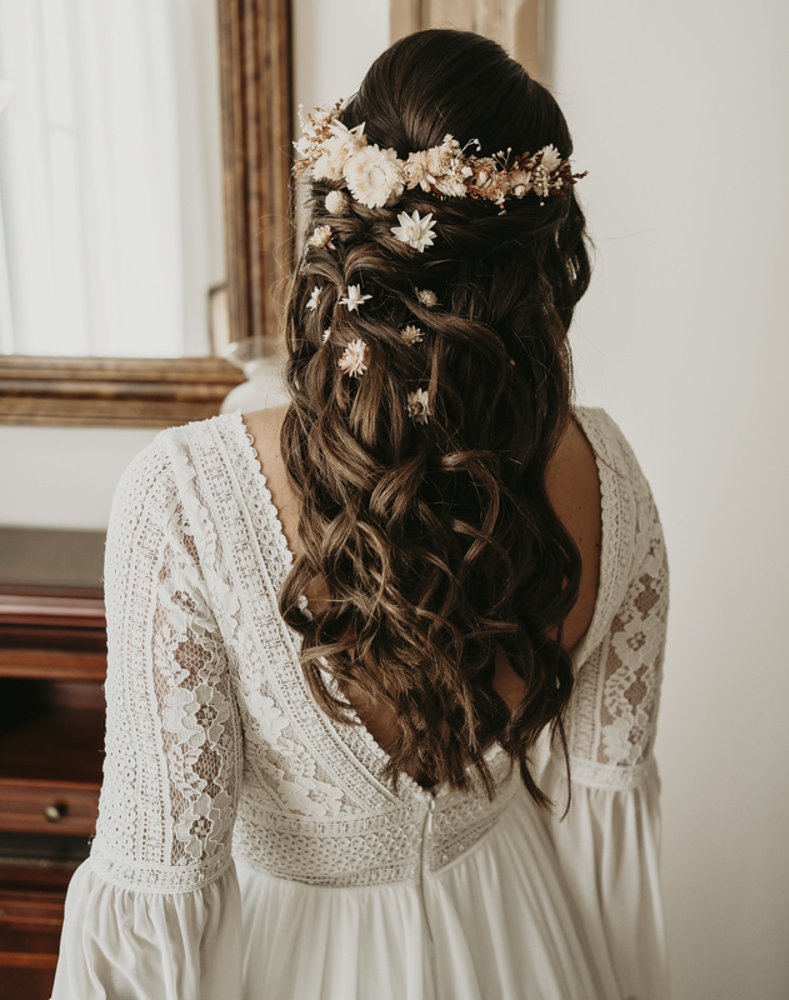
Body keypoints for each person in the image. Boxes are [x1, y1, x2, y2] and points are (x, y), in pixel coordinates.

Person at [51, 28, 669, 1000]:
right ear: (547, 267)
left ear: (337, 233)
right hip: (526, 946)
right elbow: (605, 837)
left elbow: (161, 883)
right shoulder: (606, 473)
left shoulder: (185, 495)